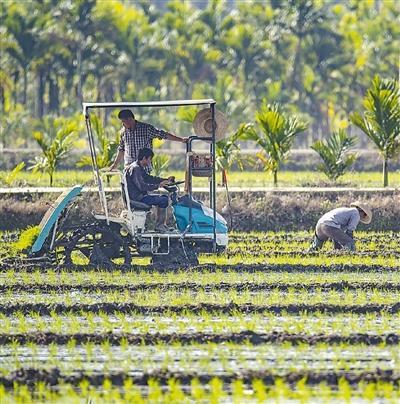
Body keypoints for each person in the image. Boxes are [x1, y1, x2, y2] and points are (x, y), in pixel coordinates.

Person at [109, 109, 187, 170]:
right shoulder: (123, 132)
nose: (122, 124)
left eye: (123, 121)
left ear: (130, 119)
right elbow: (121, 149)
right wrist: (115, 164)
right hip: (129, 168)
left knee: (144, 189)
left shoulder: (146, 129)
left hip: (144, 168)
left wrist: (181, 140)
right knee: (129, 190)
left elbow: (163, 135)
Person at [124, 148, 175, 232]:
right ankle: (160, 226)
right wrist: (159, 185)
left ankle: (161, 225)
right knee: (163, 200)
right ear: (144, 158)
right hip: (138, 198)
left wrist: (164, 180)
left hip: (139, 196)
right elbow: (142, 187)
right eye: (150, 159)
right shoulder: (136, 169)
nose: (150, 162)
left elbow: (149, 178)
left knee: (163, 198)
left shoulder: (137, 167)